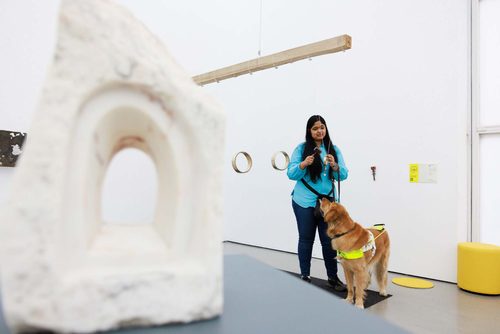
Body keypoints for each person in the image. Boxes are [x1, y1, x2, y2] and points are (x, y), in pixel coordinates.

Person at [287, 115, 348, 291]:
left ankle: (333, 277)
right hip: (304, 201)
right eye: (315, 128)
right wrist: (304, 164)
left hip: (328, 204)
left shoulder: (334, 150)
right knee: (306, 239)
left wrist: (335, 165)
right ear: (309, 131)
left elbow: (343, 175)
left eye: (322, 127)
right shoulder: (301, 149)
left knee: (329, 241)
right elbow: (291, 174)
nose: (319, 131)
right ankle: (305, 275)